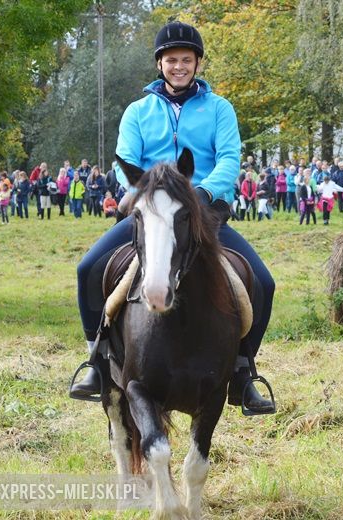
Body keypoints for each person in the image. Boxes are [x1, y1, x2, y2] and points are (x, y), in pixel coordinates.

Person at [70, 21, 276, 415]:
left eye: (186, 59)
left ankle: (242, 371)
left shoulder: (220, 109)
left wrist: (201, 193)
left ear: (197, 63)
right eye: (171, 60)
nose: (178, 66)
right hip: (150, 213)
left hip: (203, 213)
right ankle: (96, 360)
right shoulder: (137, 111)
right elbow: (124, 164)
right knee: (87, 269)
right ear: (159, 64)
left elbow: (229, 159)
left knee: (263, 282)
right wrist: (145, 195)